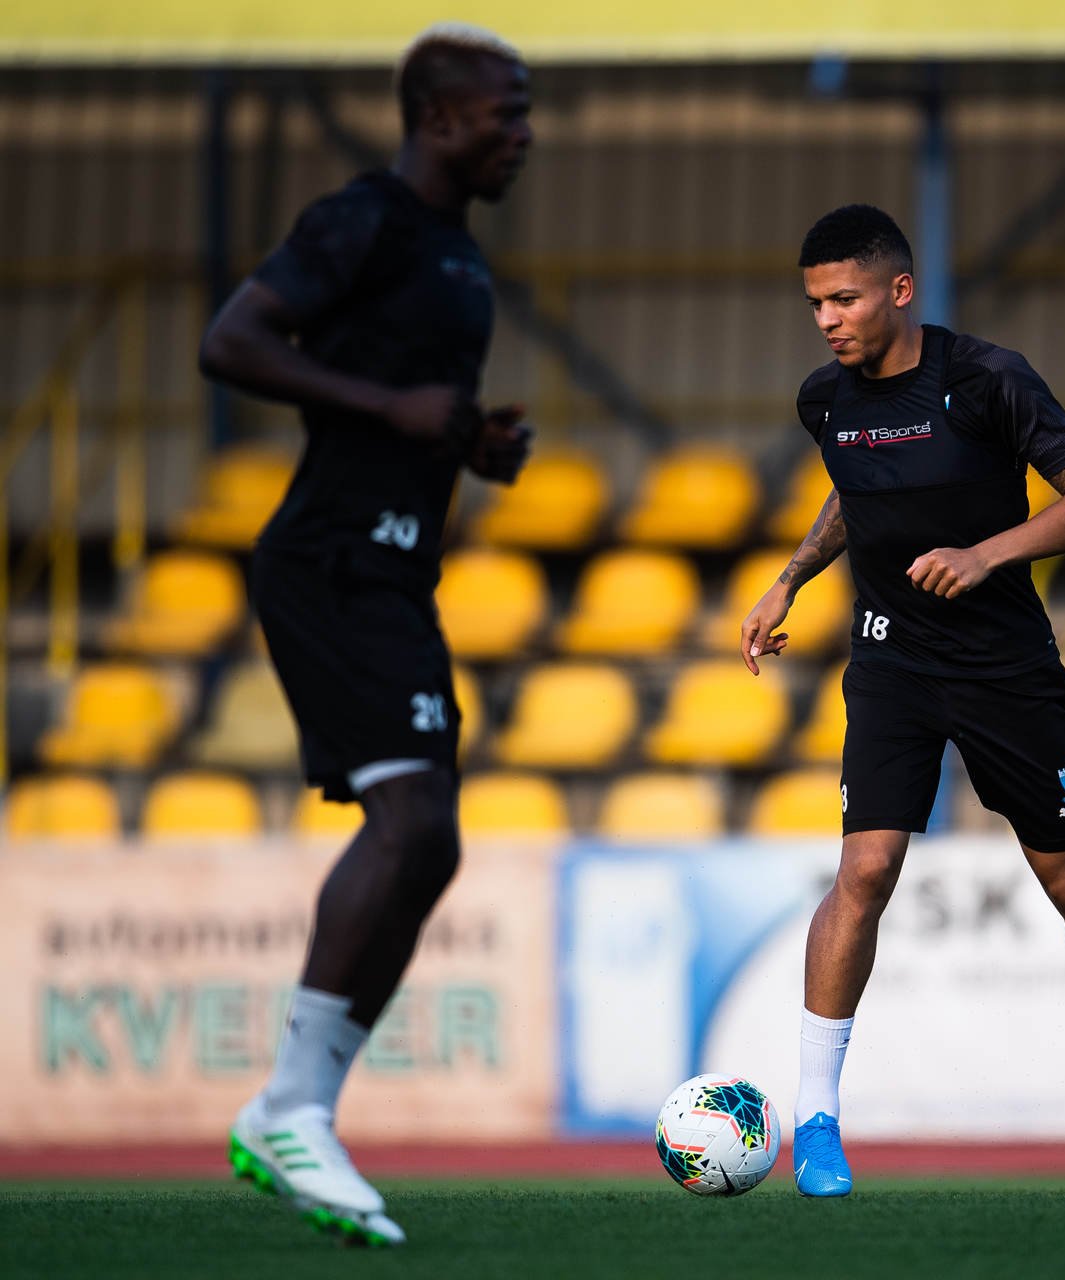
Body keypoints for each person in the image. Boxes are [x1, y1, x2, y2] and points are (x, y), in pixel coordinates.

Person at [740, 204, 1065, 1199]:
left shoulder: (988, 377)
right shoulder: (826, 399)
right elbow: (852, 492)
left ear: (899, 291)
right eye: (815, 302)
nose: (827, 318)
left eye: (844, 297)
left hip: (1004, 663)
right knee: (865, 866)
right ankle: (816, 1117)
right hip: (892, 658)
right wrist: (793, 576)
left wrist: (986, 554)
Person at [197, 22, 533, 1248]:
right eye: (509, 111)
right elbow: (229, 341)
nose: (524, 134)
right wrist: (391, 405)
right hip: (333, 558)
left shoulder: (456, 255)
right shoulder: (364, 219)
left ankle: (295, 1108)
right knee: (411, 823)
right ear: (440, 116)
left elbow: (408, 410)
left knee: (431, 844)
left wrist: (465, 441)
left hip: (400, 566)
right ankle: (290, 1107)